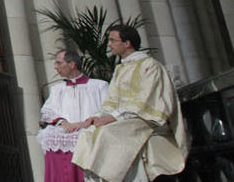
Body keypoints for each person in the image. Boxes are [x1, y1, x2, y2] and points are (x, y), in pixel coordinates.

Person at [71, 25, 189, 181]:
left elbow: (146, 100)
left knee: (108, 133)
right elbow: (111, 99)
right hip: (124, 118)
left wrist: (114, 116)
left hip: (145, 118)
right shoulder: (121, 69)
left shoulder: (150, 65)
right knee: (88, 132)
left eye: (113, 40)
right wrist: (98, 116)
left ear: (127, 43)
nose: (109, 44)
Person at [39, 49, 109, 182]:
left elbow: (108, 108)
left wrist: (85, 123)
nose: (55, 67)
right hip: (66, 130)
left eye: (59, 63)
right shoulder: (57, 89)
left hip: (90, 129)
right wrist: (64, 123)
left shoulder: (99, 86)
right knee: (49, 136)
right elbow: (47, 111)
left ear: (72, 64)